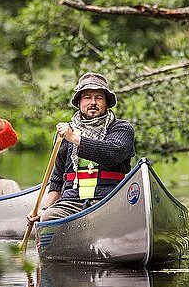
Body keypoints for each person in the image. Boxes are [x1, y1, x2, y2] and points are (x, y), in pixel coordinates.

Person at [30, 72, 135, 223]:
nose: (93, 102)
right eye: (87, 97)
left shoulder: (121, 128)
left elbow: (114, 153)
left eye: (99, 98)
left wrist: (75, 138)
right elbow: (57, 180)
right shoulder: (64, 134)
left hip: (110, 200)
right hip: (72, 203)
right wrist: (44, 209)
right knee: (48, 218)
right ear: (79, 102)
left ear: (106, 103)